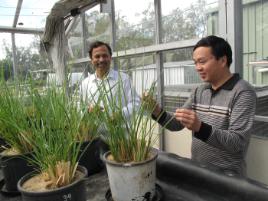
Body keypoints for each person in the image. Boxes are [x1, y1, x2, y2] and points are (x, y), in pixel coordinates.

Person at [149, 35, 256, 176]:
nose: (198, 68)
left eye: (202, 61)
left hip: (227, 178)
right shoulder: (200, 90)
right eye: (195, 63)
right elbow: (176, 124)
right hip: (198, 170)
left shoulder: (242, 92)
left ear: (223, 60)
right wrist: (157, 112)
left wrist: (200, 127)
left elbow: (237, 142)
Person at [80, 40, 140, 119]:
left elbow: (135, 103)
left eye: (105, 56)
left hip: (120, 130)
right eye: (97, 56)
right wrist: (88, 110)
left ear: (110, 58)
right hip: (94, 131)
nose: (101, 60)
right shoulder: (86, 83)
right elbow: (81, 108)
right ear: (91, 60)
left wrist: (120, 115)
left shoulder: (123, 79)